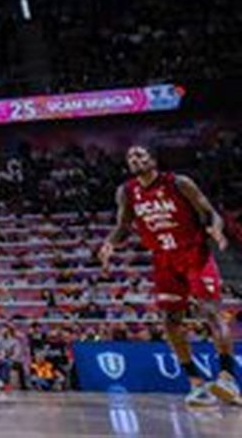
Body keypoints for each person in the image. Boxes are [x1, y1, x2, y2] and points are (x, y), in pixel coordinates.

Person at [98, 144, 238, 406]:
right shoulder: (127, 191)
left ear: (152, 159)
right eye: (130, 157)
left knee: (210, 311)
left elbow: (210, 213)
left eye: (139, 155)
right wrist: (109, 243)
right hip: (163, 259)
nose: (134, 159)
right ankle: (196, 383)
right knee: (170, 321)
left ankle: (227, 376)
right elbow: (123, 226)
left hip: (194, 254)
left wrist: (216, 231)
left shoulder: (179, 183)